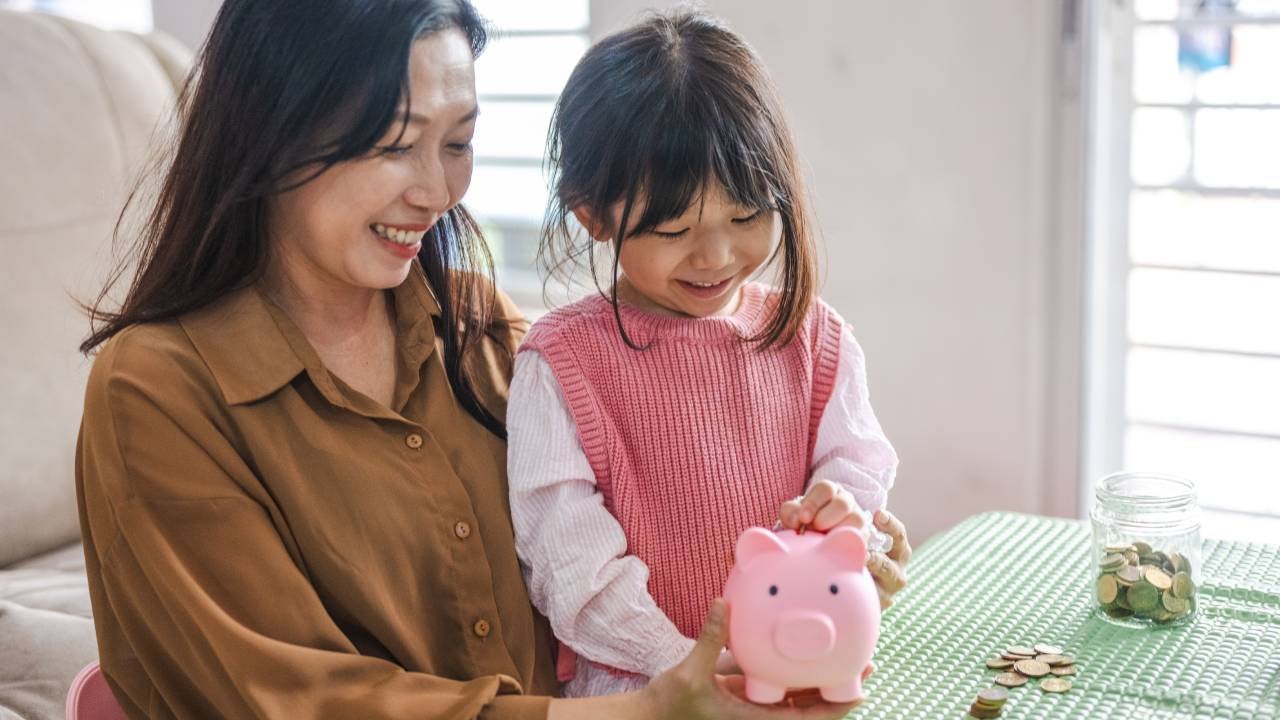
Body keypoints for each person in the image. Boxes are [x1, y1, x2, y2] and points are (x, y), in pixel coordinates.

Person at [74, 1, 910, 718]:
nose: (437, 193)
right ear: (269, 137)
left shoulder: (476, 324)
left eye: (459, 142)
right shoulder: (159, 389)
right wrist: (654, 701)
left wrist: (838, 555)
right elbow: (288, 697)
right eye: (396, 144)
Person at [507, 9, 910, 700]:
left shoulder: (813, 337)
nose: (717, 256)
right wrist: (688, 665)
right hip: (643, 693)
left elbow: (858, 472)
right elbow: (569, 564)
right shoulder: (562, 363)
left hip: (799, 673)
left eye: (747, 216)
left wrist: (853, 522)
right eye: (673, 229)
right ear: (591, 214)